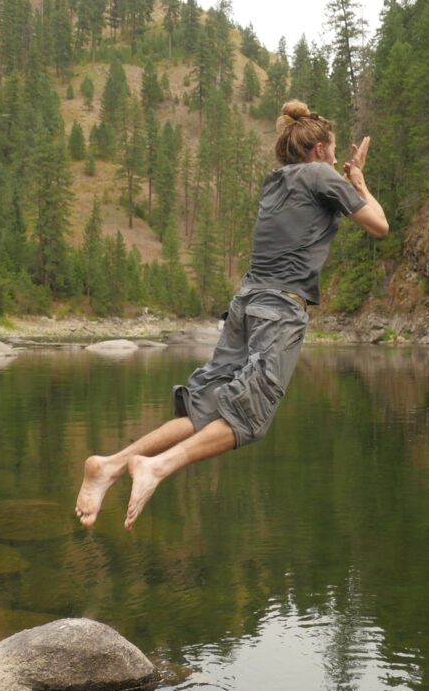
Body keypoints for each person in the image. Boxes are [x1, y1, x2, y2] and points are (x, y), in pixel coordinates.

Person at [75, 100, 389, 531]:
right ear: (319, 150)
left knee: (203, 411)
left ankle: (110, 466)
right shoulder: (322, 174)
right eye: (333, 151)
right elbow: (379, 225)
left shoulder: (276, 180)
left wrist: (344, 180)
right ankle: (157, 467)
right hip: (279, 308)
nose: (336, 159)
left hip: (246, 301)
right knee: (249, 417)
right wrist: (359, 181)